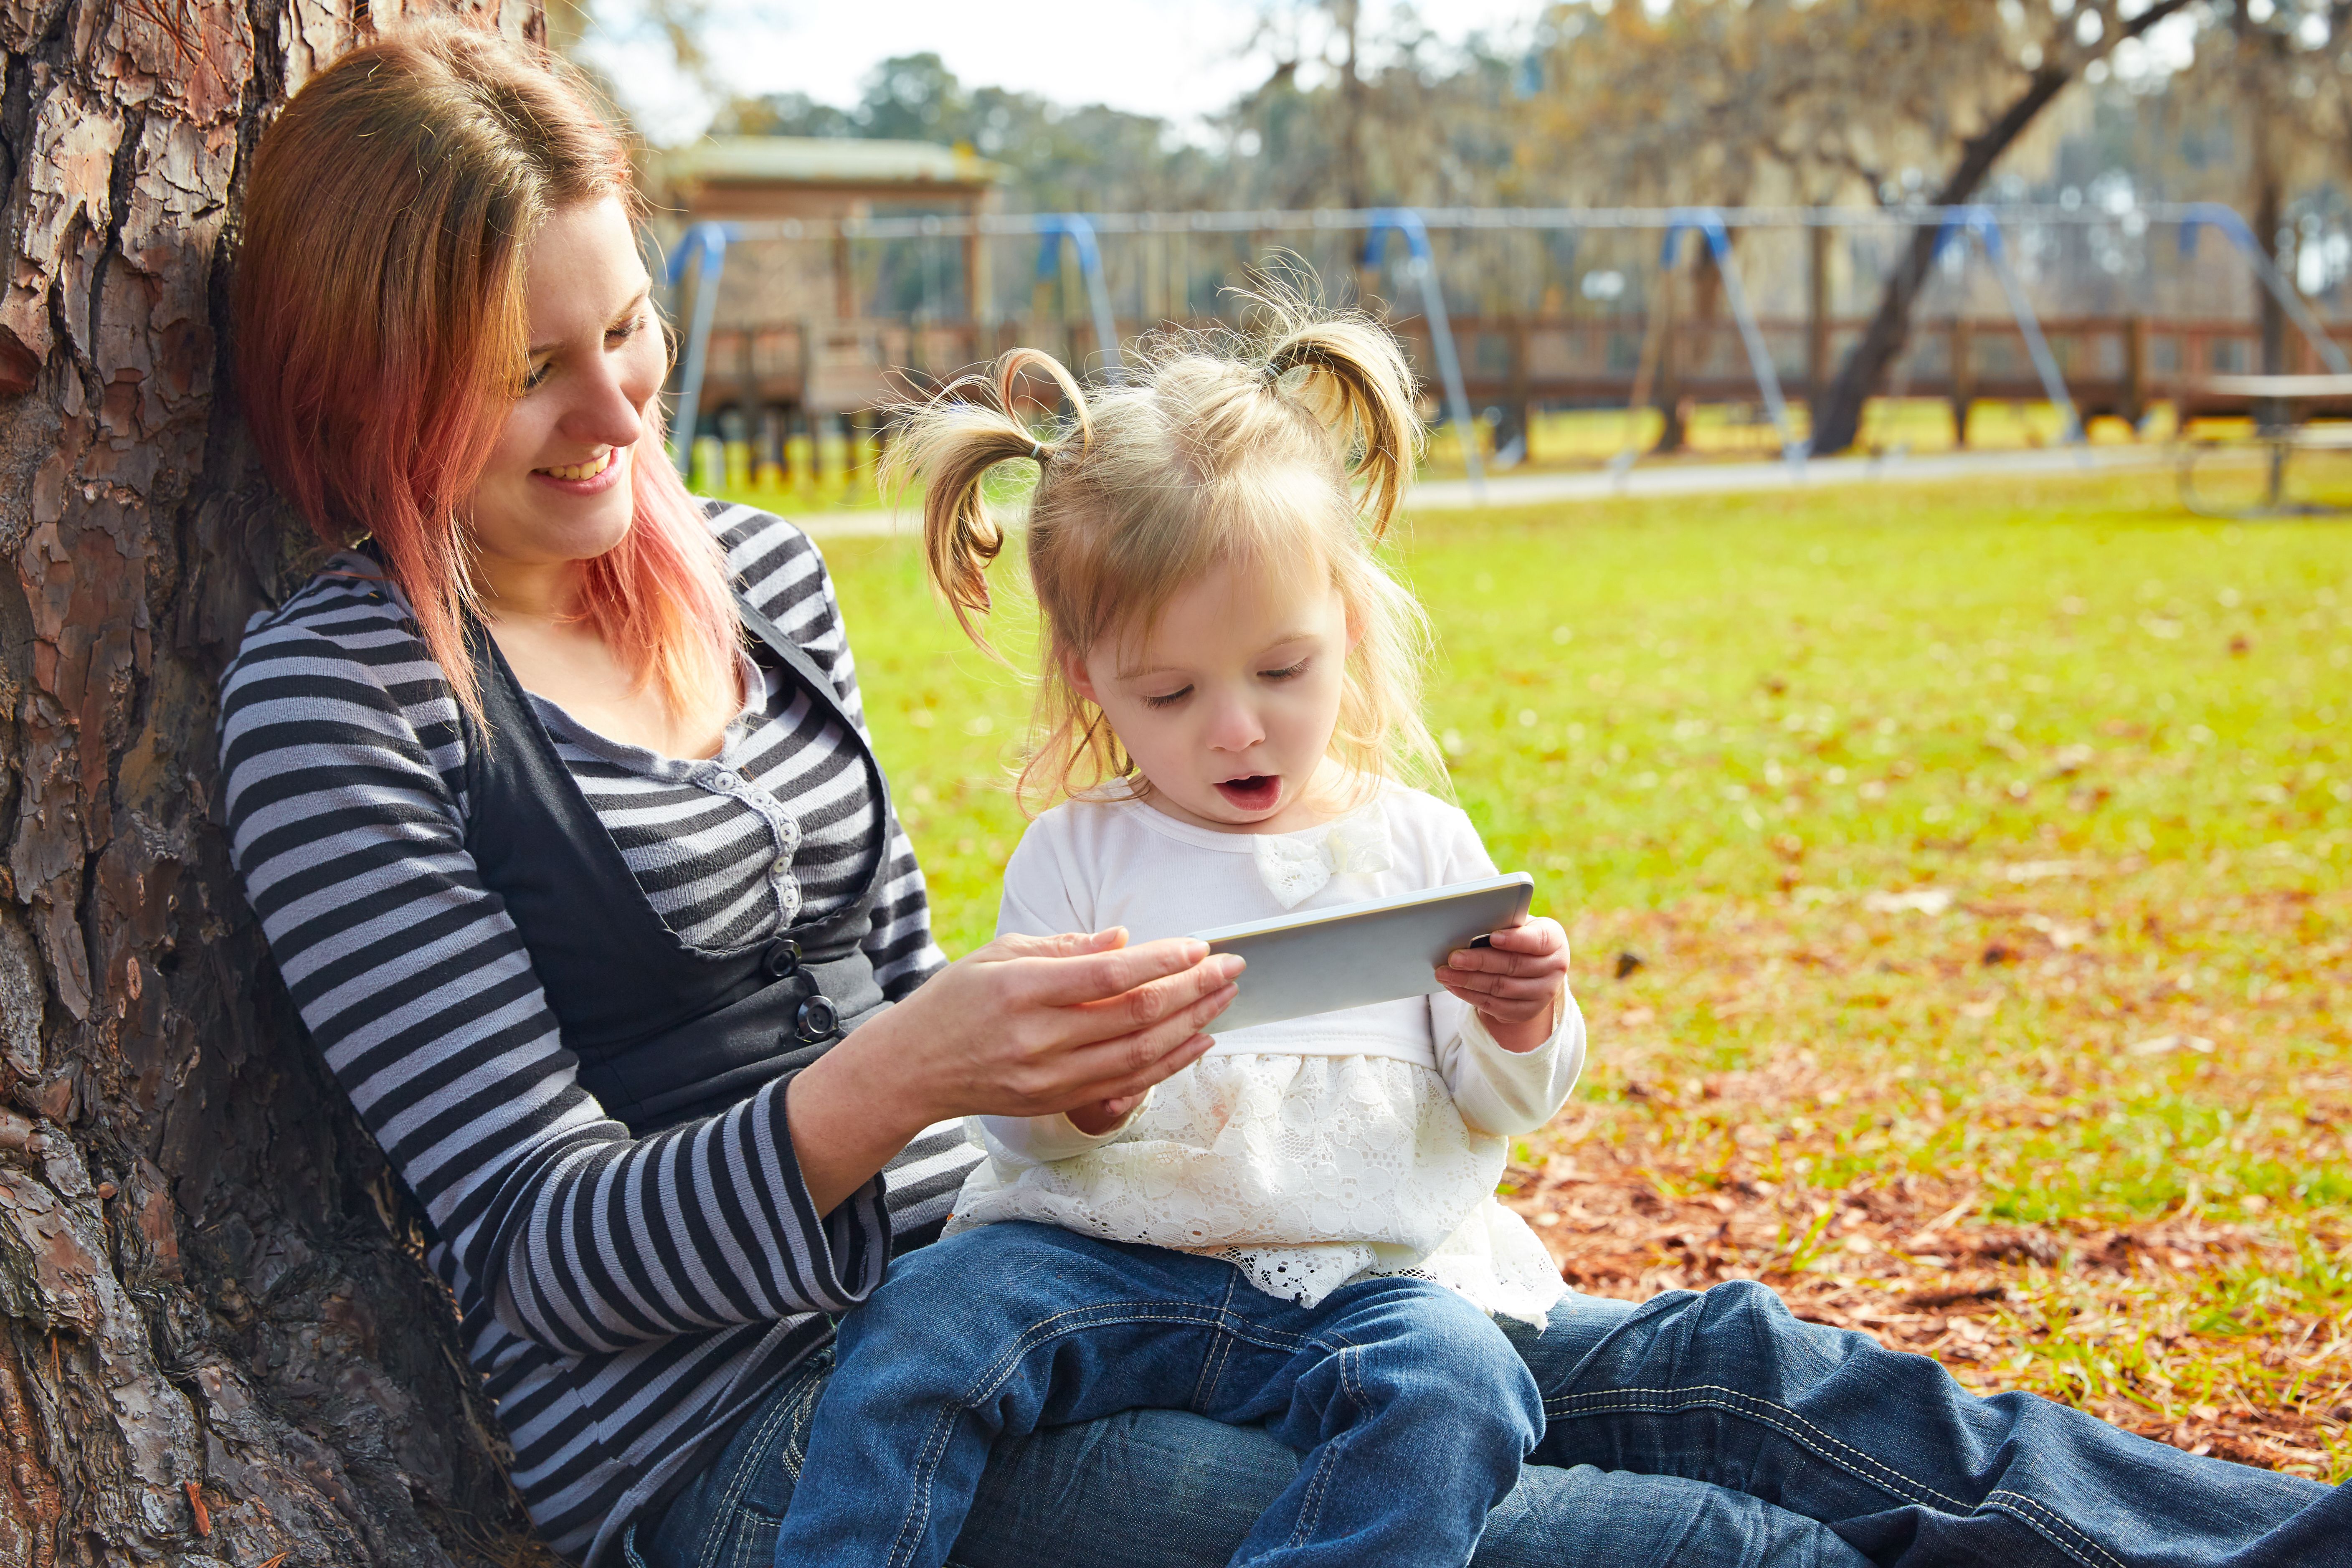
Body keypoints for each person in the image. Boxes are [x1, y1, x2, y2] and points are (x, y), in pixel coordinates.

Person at [216, 22, 2348, 1568]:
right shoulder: (341, 706)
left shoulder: (754, 576)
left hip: (1088, 1275)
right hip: (763, 1442)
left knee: (1759, 1382)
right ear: (373, 377)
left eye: (629, 331)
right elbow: (539, 1250)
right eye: (529, 373)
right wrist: (915, 1070)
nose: (617, 416)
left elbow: (933, 1028)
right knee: (1685, 1546)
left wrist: (1064, 1060)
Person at [770, 310, 1579, 1568]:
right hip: (1098, 1259)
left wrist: (1522, 1020)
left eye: (1283, 670)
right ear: (1090, 677)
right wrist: (1082, 1100)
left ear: (1349, 625)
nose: (1237, 728)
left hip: (1359, 1280)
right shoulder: (1079, 856)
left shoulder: (1418, 842)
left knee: (1460, 1384)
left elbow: (1492, 1099)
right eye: (1172, 692)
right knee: (924, 1321)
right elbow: (1015, 1119)